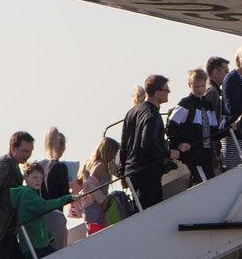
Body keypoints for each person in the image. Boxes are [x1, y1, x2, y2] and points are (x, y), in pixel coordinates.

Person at [120, 76, 179, 210]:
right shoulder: (152, 115)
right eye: (166, 90)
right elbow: (147, 144)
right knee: (151, 215)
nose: (168, 93)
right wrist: (169, 153)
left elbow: (123, 147)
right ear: (157, 93)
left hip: (131, 174)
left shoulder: (132, 112)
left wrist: (122, 174)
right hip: (147, 175)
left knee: (140, 214)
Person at [9, 163, 73, 259]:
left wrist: (48, 236)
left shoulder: (29, 193)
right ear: (26, 177)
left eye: (41, 178)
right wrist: (68, 198)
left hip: (36, 244)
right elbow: (44, 206)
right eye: (35, 177)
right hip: (36, 245)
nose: (38, 181)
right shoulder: (28, 194)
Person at [167, 69, 221, 182]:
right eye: (196, 86)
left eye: (202, 86)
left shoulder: (208, 106)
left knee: (209, 178)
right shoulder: (185, 104)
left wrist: (230, 127)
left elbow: (215, 131)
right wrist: (178, 144)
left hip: (207, 152)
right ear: (189, 85)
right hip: (192, 153)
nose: (200, 89)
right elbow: (171, 125)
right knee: (203, 180)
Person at [72, 137, 120, 235]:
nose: (115, 156)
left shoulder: (92, 163)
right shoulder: (101, 165)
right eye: (114, 153)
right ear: (108, 152)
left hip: (90, 208)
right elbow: (89, 182)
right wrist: (102, 200)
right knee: (98, 233)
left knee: (94, 232)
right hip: (95, 207)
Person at [35, 129, 73, 252]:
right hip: (56, 216)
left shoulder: (39, 166)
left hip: (40, 219)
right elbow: (64, 196)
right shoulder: (61, 167)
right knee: (58, 254)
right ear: (62, 147)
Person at [202, 57, 231, 174]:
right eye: (226, 72)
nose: (228, 75)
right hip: (210, 150)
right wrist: (212, 154)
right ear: (215, 72)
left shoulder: (213, 91)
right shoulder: (212, 92)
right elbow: (206, 124)